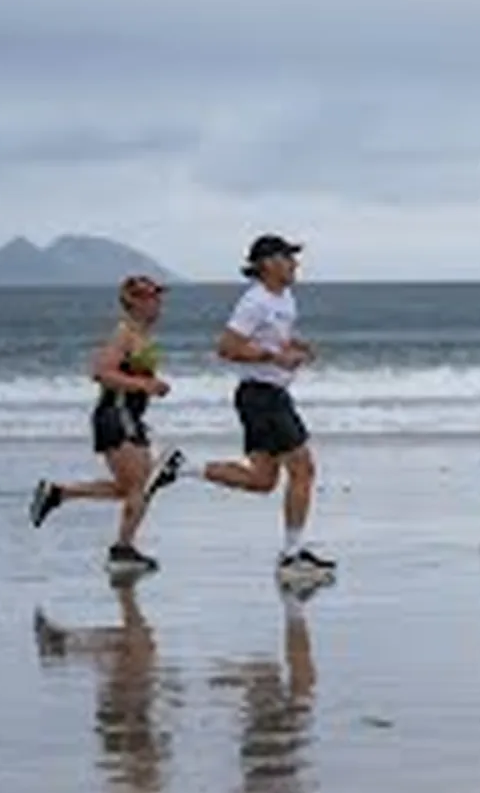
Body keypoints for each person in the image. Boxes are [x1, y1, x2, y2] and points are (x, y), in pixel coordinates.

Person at [178, 234, 335, 578]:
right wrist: (275, 357)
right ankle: (291, 557)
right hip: (262, 397)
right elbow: (227, 347)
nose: (295, 264)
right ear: (267, 264)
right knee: (304, 470)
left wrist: (297, 345)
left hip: (268, 395)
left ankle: (183, 468)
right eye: (287, 257)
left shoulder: (285, 298)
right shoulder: (255, 302)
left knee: (263, 480)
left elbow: (273, 336)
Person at [29, 275, 185, 574]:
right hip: (116, 414)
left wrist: (151, 385)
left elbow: (133, 374)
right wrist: (144, 385)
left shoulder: (141, 335)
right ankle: (122, 549)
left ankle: (58, 493)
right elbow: (101, 372)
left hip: (130, 415)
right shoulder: (123, 334)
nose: (158, 304)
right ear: (134, 302)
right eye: (152, 298)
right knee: (141, 486)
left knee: (131, 488)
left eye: (159, 297)